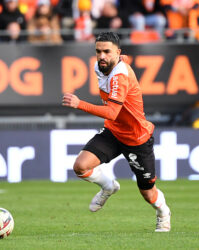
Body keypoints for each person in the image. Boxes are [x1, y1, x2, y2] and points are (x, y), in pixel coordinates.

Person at [62, 31, 171, 232]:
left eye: (106, 52)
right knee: (81, 166)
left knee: (148, 193)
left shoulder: (120, 76)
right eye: (98, 51)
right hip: (114, 132)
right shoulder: (100, 66)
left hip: (136, 137)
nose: (101, 56)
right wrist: (119, 58)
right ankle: (108, 186)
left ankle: (163, 212)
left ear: (117, 52)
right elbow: (119, 61)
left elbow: (112, 112)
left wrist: (79, 104)